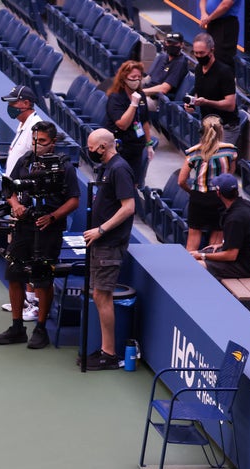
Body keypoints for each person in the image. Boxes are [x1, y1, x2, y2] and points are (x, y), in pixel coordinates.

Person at [0, 122, 80, 349]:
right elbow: (8, 188)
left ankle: (41, 329)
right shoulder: (25, 161)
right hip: (23, 226)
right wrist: (15, 205)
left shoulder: (64, 167)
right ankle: (17, 327)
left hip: (48, 229)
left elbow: (73, 200)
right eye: (34, 140)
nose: (37, 145)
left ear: (53, 143)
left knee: (43, 278)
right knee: (14, 274)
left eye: (42, 141)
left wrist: (53, 217)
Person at [82, 129, 136, 371]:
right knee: (98, 295)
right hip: (100, 243)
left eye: (92, 147)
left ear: (103, 147)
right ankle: (106, 349)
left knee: (103, 296)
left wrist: (101, 230)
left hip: (109, 243)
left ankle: (109, 354)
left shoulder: (119, 168)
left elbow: (128, 207)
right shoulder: (107, 168)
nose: (89, 151)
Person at [0, 85, 45, 320]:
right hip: (15, 197)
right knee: (17, 252)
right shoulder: (23, 126)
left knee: (29, 253)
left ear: (26, 103)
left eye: (14, 103)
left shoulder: (35, 128)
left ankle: (33, 303)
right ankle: (25, 300)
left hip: (26, 202)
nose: (11, 107)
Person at [177, 115, 238, 251]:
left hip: (198, 197)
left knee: (193, 239)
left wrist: (192, 191)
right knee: (216, 239)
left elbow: (181, 180)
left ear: (202, 131)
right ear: (221, 130)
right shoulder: (230, 150)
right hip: (220, 198)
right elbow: (230, 175)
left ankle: (189, 269)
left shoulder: (193, 152)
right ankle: (209, 268)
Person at [191, 173, 250, 279]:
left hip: (245, 266)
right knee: (194, 254)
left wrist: (203, 256)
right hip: (244, 257)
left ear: (218, 192)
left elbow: (231, 255)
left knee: (195, 265)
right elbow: (242, 238)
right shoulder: (245, 204)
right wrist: (222, 245)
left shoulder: (234, 218)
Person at [104, 60, 154, 188]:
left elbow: (145, 121)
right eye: (133, 77)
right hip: (120, 148)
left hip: (136, 147)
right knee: (118, 184)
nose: (136, 80)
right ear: (124, 78)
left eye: (139, 77)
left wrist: (149, 144)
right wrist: (133, 104)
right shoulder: (115, 98)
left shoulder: (141, 95)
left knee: (133, 184)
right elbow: (122, 124)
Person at [187, 33, 240, 146]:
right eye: (196, 53)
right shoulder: (198, 69)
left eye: (202, 53)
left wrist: (207, 102)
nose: (198, 56)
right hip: (207, 125)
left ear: (211, 51)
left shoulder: (224, 72)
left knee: (220, 160)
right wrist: (192, 103)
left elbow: (230, 105)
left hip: (225, 127)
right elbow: (199, 92)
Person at [141, 33, 190, 110]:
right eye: (169, 43)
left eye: (175, 43)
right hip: (146, 91)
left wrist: (141, 92)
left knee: (134, 102)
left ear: (181, 45)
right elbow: (148, 78)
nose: (171, 45)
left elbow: (164, 89)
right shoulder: (162, 57)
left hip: (158, 100)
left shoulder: (180, 63)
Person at [199, 0, 242, 69]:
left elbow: (226, 5)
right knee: (209, 54)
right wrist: (203, 13)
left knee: (221, 58)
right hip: (212, 22)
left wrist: (208, 19)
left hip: (226, 24)